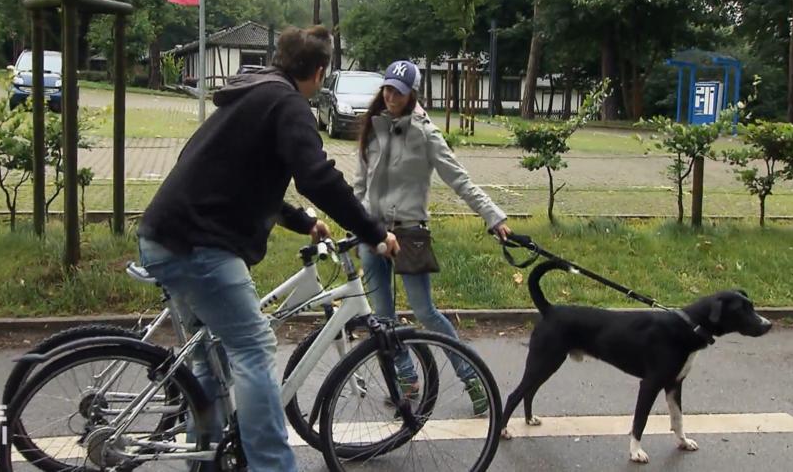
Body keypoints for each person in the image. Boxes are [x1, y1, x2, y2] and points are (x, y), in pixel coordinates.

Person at [137, 26, 399, 472]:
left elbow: (249, 180)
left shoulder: (252, 94)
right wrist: (374, 232)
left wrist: (303, 222)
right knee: (255, 348)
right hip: (198, 244)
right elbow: (317, 178)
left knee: (211, 354)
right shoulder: (287, 103)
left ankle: (206, 457)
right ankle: (273, 466)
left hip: (165, 233)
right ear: (319, 72)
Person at [353, 59, 512, 415]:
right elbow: (359, 183)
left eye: (399, 92)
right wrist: (355, 222)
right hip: (372, 233)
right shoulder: (373, 127)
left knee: (426, 313)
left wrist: (493, 216)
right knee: (384, 318)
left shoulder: (426, 134)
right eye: (388, 89)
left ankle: (472, 379)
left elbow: (460, 179)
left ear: (412, 95)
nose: (391, 96)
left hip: (409, 233)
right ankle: (407, 383)